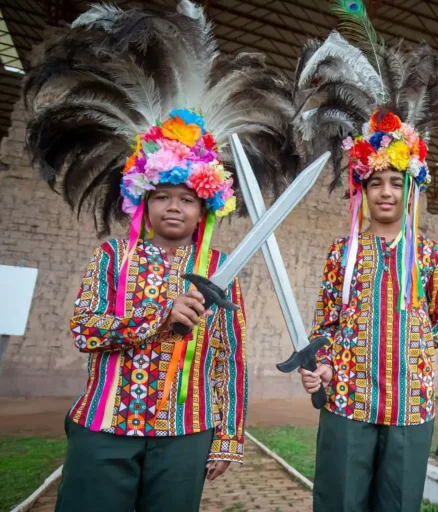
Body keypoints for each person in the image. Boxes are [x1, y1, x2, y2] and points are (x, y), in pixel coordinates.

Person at [23, 1, 298, 510]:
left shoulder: (219, 272)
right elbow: (86, 329)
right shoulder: (112, 258)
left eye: (186, 198)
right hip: (104, 430)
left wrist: (230, 435)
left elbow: (228, 357)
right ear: (143, 201)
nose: (174, 207)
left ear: (204, 206)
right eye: (163, 196)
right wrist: (158, 315)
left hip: (185, 434)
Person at [291, 6, 438, 509]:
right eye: (376, 183)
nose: (385, 192)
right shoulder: (341, 254)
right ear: (360, 190)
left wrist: (402, 345)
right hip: (347, 402)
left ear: (411, 190)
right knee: (340, 500)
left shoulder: (429, 256)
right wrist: (326, 363)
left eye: (396, 183)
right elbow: (326, 323)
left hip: (411, 407)